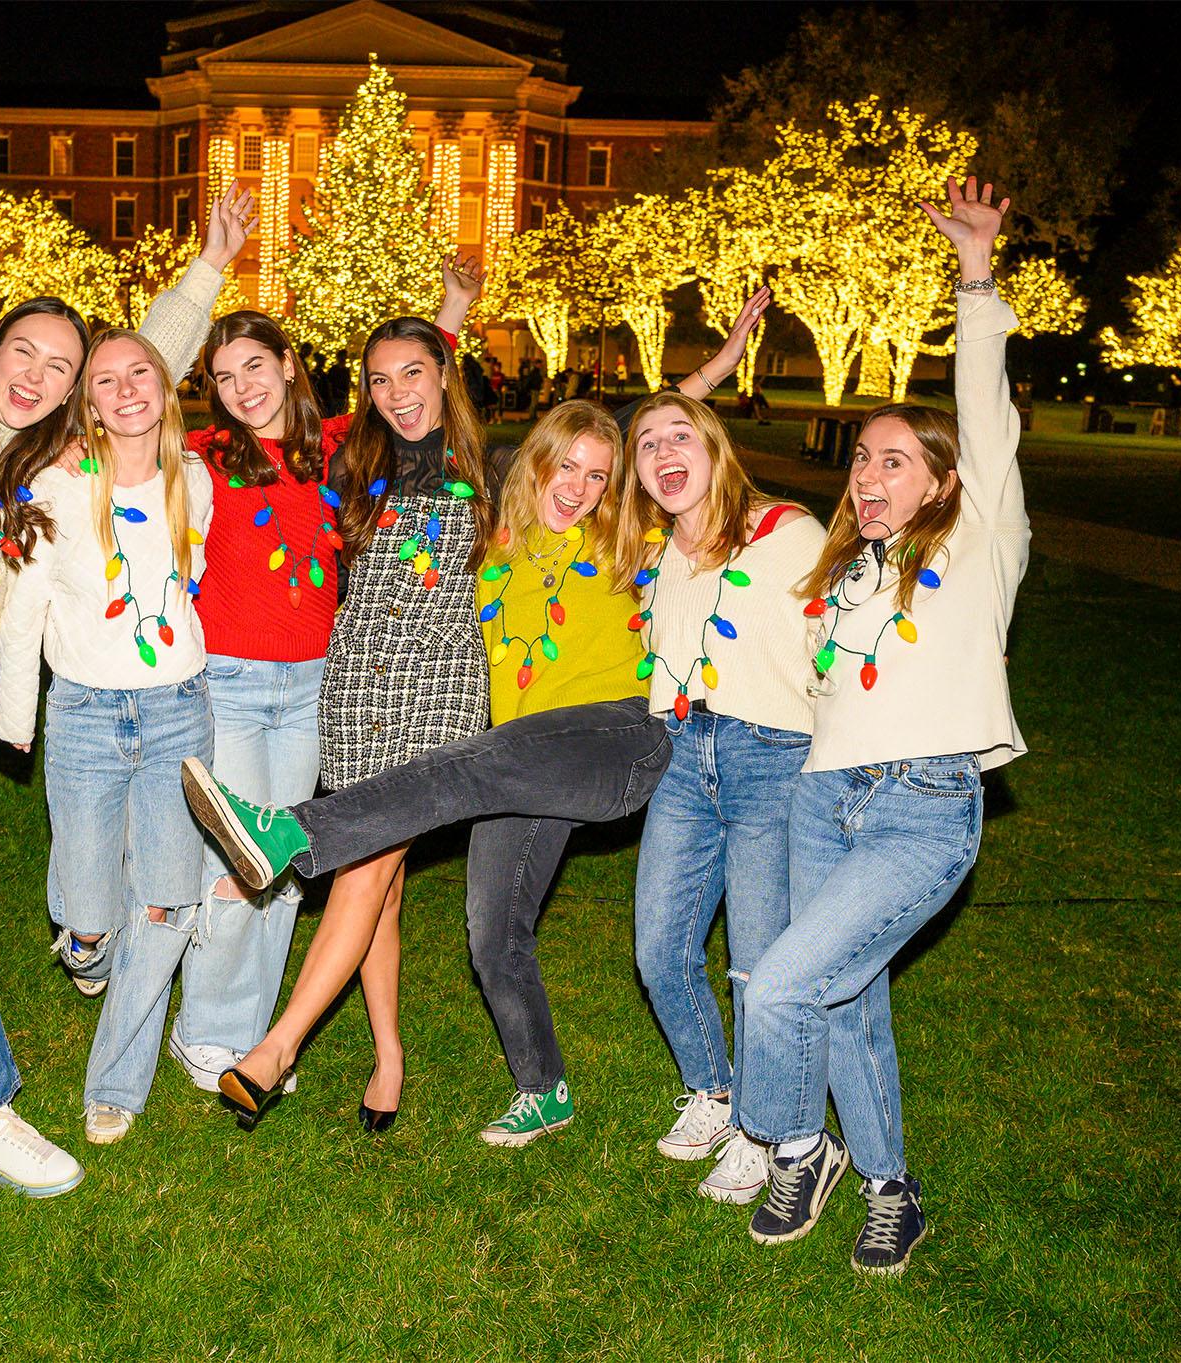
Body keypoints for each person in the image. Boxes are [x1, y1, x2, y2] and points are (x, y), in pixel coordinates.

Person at [192, 296, 770, 1138]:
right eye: (381, 379)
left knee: (367, 855)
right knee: (376, 882)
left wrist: (713, 371)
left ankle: (277, 1047)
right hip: (359, 677)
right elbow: (249, 442)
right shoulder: (347, 457)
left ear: (444, 373)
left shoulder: (495, 471)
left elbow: (600, 443)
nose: (397, 392)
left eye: (415, 373)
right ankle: (388, 1055)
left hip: (441, 683)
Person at [0, 186, 253, 1194]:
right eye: (23, 354)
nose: (38, 376)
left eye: (61, 367)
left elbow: (145, 366)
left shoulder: (41, 459)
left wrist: (207, 269)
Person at [739, 177, 1029, 1277]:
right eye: (858, 458)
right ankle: (890, 1190)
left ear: (941, 480)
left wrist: (974, 282)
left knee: (778, 984)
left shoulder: (976, 543)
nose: (866, 474)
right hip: (826, 799)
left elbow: (986, 413)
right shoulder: (844, 573)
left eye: (890, 459)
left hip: (920, 806)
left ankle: (794, 1144)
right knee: (848, 999)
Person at [164, 259, 484, 1095]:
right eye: (224, 377)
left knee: (305, 868)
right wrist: (203, 274)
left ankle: (255, 1026)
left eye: (256, 367)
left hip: (317, 682)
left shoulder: (340, 446)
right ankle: (208, 1031)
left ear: (289, 366)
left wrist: (451, 309)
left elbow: (412, 389)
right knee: (237, 865)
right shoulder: (201, 453)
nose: (242, 389)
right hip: (235, 679)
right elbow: (134, 398)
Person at [0, 330, 217, 1145]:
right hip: (85, 715)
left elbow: (186, 592)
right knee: (92, 913)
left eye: (140, 374)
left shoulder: (194, 481)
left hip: (177, 715)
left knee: (164, 902)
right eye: (105, 380)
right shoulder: (49, 487)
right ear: (85, 401)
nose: (125, 391)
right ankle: (87, 944)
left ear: (163, 386)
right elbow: (23, 615)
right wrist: (16, 719)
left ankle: (116, 1082)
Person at [615, 376, 823, 1207]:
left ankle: (766, 1134)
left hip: (769, 752)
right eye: (648, 443)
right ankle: (717, 1089)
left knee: (758, 963)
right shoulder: (653, 556)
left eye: (680, 436)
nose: (664, 452)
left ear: (714, 448)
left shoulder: (786, 530)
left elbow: (842, 631)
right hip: (681, 753)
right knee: (659, 945)